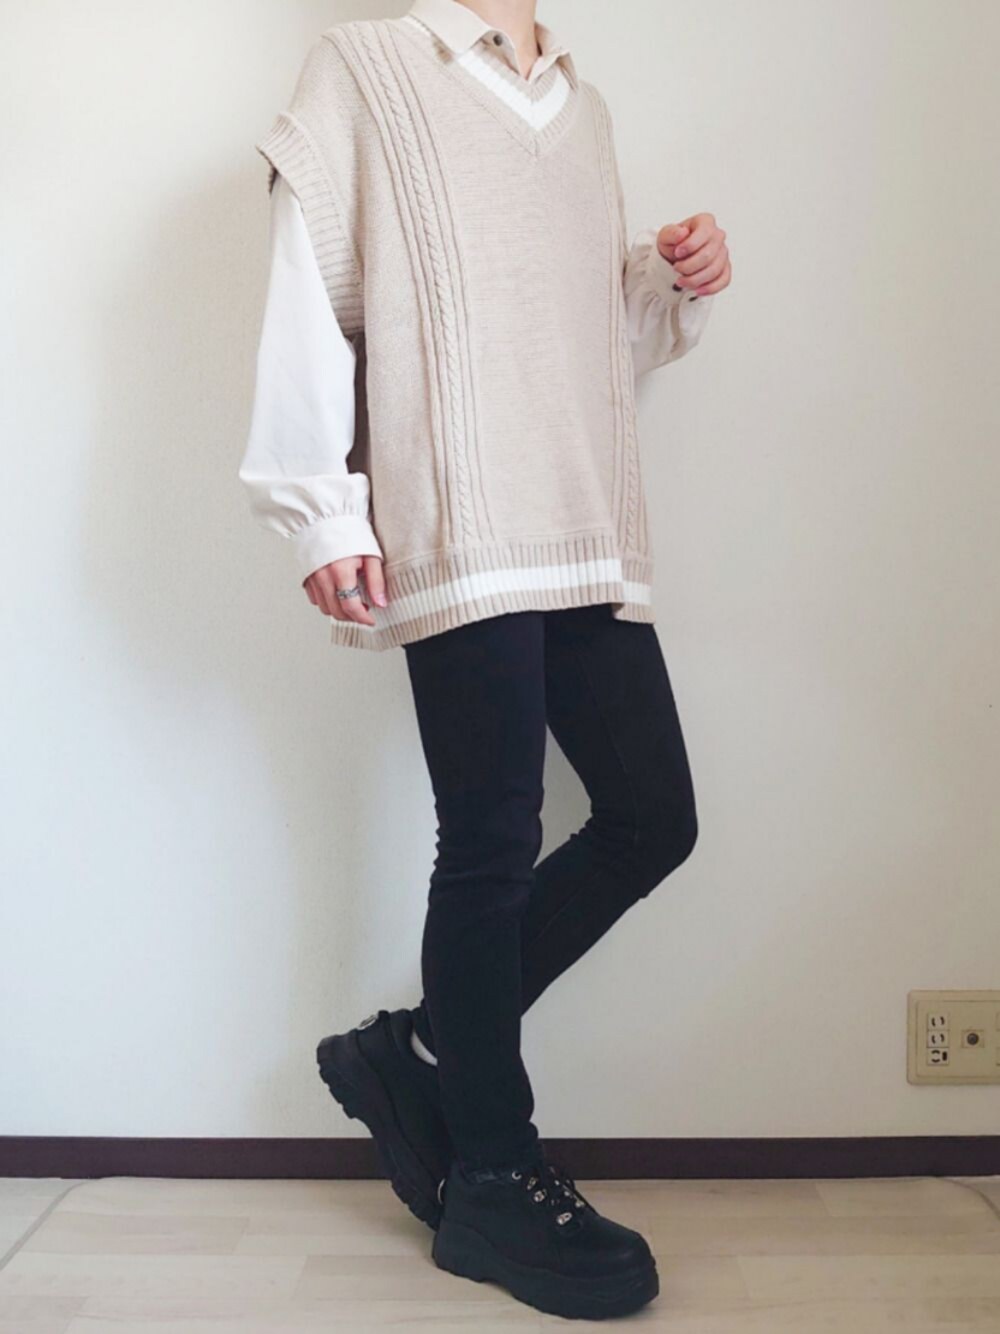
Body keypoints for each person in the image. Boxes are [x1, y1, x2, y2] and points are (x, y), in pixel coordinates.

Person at [239, 0, 731, 1319]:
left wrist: (664, 280)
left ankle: (417, 1054)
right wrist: (321, 508)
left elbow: (589, 344)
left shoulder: (585, 110)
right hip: (458, 514)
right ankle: (495, 1177)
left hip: (580, 517)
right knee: (493, 838)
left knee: (652, 817)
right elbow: (306, 288)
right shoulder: (366, 67)